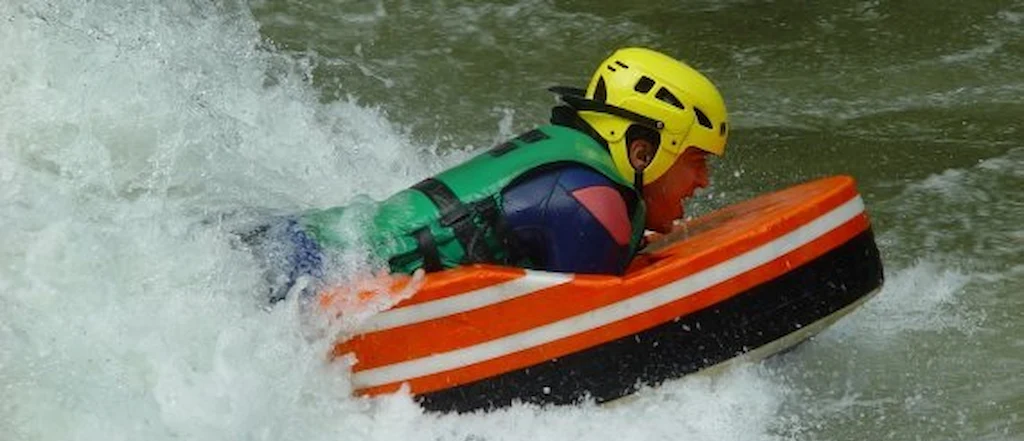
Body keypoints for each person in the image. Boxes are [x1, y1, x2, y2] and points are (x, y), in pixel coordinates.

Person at [244, 47, 728, 301]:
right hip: (306, 274)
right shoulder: (592, 201)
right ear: (645, 151)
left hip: (294, 240)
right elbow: (585, 325)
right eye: (697, 160)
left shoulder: (571, 161)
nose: (703, 181)